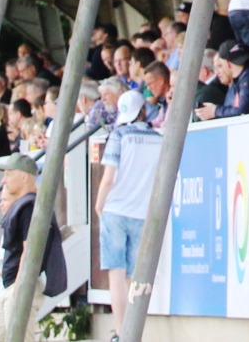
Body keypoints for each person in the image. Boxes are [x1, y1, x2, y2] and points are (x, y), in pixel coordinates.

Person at [93, 91, 159, 329]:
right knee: (134, 276)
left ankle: (121, 331)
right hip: (142, 212)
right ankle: (135, 329)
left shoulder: (119, 135)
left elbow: (109, 178)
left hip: (116, 209)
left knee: (116, 274)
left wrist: (99, 205)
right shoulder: (157, 137)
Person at [0, 155, 54, 342]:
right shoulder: (24, 206)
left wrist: (20, 289)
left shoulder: (29, 207)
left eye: (8, 174)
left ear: (24, 177)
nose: (3, 180)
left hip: (19, 285)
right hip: (10, 285)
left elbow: (29, 252)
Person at [198, 42, 249, 119]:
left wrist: (215, 111)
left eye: (220, 66)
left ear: (227, 64)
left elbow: (243, 112)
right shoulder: (239, 79)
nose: (218, 72)